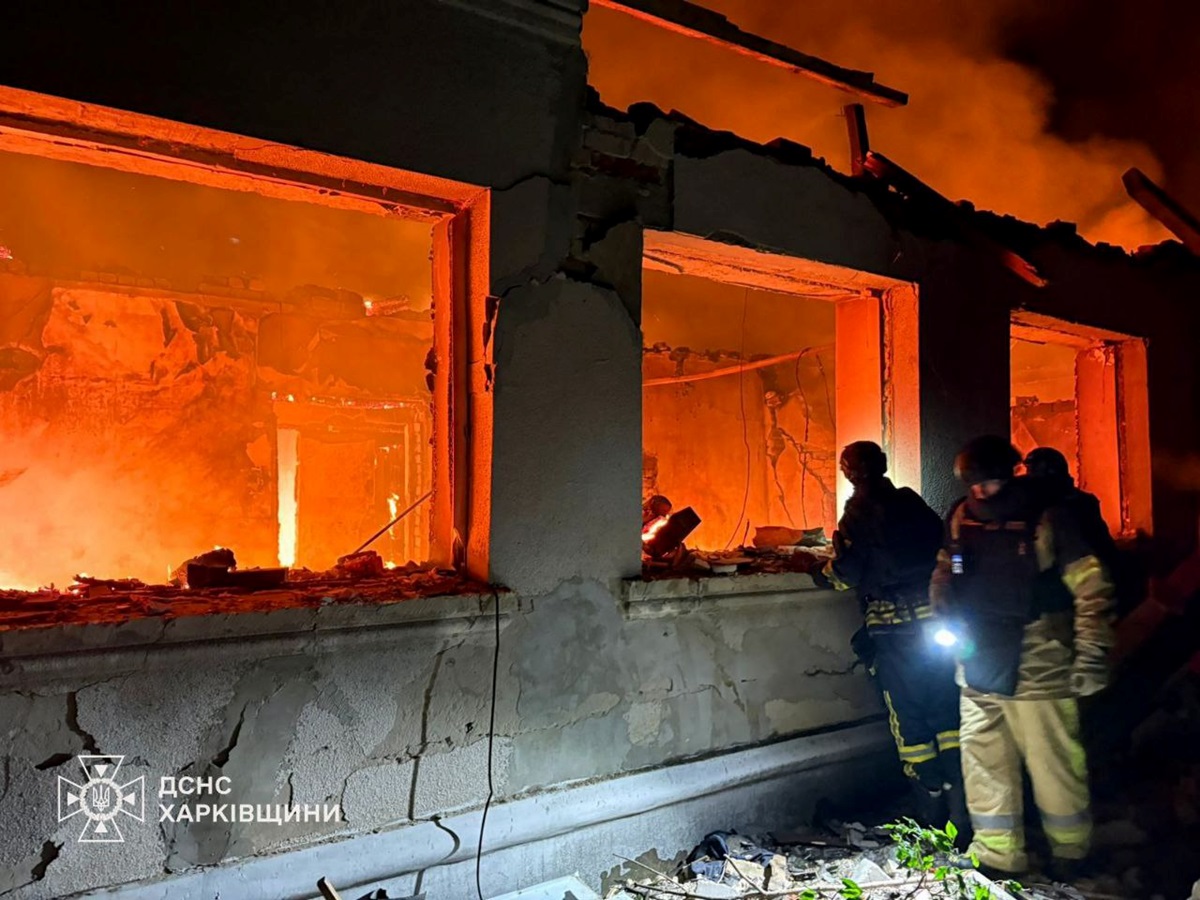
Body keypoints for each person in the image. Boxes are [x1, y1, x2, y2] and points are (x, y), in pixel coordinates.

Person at [931, 436, 1116, 879]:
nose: (981, 492)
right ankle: (997, 856)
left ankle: (1072, 853)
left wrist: (1091, 656)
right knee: (983, 760)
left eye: (990, 482)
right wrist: (941, 600)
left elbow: (1092, 589)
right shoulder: (960, 516)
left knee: (1053, 762)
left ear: (1011, 475)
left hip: (1039, 658)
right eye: (973, 483)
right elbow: (948, 566)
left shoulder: (1048, 519)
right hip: (976, 660)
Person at [819, 441, 964, 831]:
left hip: (893, 630)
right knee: (946, 708)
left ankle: (930, 811)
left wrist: (823, 572)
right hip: (934, 622)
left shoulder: (857, 513)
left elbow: (847, 573)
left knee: (908, 715)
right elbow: (944, 546)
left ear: (848, 472)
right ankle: (960, 807)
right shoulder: (910, 501)